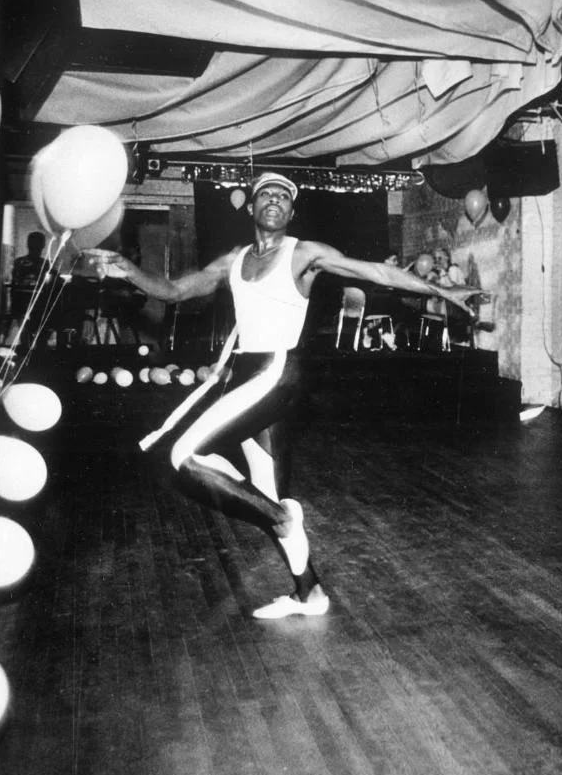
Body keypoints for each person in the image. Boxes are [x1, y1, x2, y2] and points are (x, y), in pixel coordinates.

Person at [101, 173, 477, 620]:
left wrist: (441, 289)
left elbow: (374, 271)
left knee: (185, 456)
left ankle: (281, 517)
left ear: (291, 212)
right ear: (252, 208)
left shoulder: (303, 254)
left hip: (277, 371)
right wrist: (131, 271)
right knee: (265, 488)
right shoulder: (234, 260)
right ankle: (308, 593)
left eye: (284, 196)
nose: (275, 200)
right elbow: (177, 290)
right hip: (246, 373)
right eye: (266, 194)